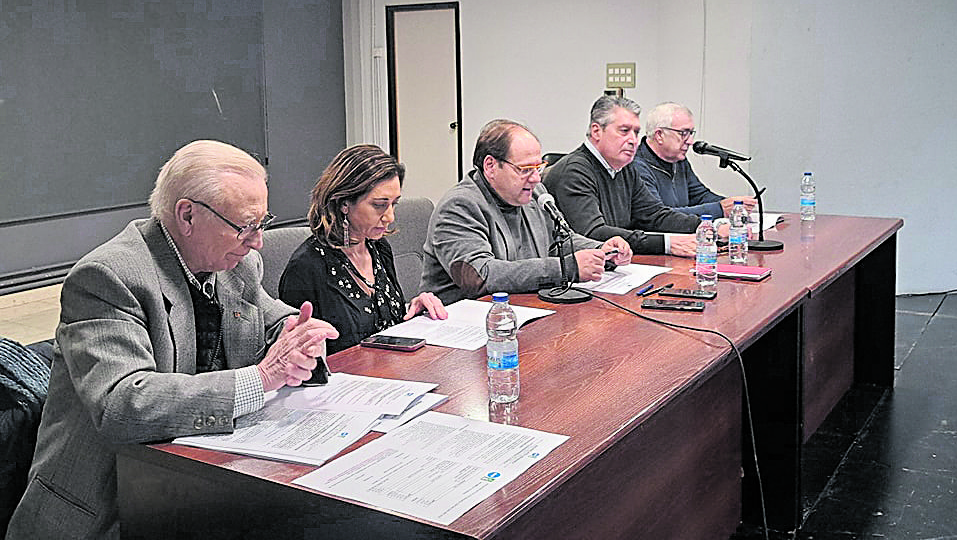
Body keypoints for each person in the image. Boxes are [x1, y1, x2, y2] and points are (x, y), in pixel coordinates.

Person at [6, 140, 338, 540]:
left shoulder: (238, 263)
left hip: (197, 486)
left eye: (262, 223)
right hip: (108, 509)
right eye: (245, 226)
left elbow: (267, 316)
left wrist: (296, 333)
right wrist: (262, 378)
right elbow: (122, 402)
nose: (257, 241)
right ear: (187, 215)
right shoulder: (108, 277)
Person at [420, 119, 632, 304]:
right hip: (462, 330)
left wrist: (602, 252)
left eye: (538, 167)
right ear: (491, 166)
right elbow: (480, 275)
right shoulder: (459, 206)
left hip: (522, 312)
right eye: (525, 169)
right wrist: (567, 268)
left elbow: (559, 240)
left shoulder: (534, 193)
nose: (536, 178)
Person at [279, 144, 448, 356]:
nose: (390, 217)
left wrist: (412, 311)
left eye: (394, 204)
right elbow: (293, 353)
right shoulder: (306, 268)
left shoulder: (378, 247)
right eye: (379, 205)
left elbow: (381, 327)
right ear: (344, 203)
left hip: (390, 374)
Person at [544, 96, 714, 257]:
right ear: (596, 131)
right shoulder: (574, 171)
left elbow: (654, 215)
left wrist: (704, 227)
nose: (633, 140)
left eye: (636, 132)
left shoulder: (625, 168)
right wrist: (667, 244)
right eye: (624, 131)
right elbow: (592, 233)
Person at [634, 102, 756, 219]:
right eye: (683, 133)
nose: (690, 141)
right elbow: (659, 216)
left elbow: (700, 196)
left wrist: (735, 206)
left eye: (691, 133)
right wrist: (720, 209)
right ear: (659, 135)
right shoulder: (637, 167)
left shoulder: (679, 161)